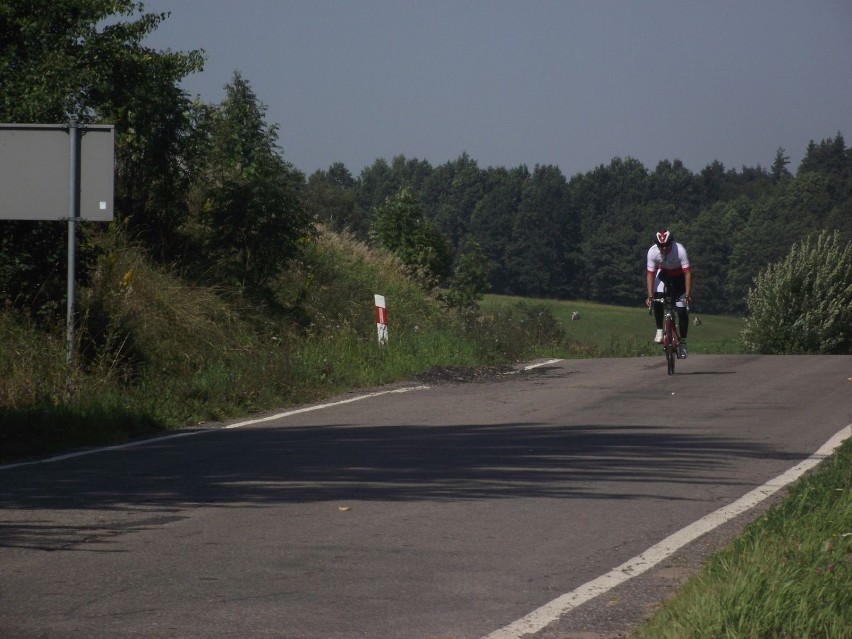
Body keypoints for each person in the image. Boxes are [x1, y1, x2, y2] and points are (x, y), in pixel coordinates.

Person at [645, 229, 693, 358]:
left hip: (679, 278)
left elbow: (687, 273)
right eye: (661, 246)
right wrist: (650, 296)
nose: (664, 248)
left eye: (666, 245)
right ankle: (660, 330)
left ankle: (682, 342)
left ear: (672, 242)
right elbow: (650, 274)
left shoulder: (680, 250)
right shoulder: (652, 252)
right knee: (657, 299)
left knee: (682, 310)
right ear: (657, 245)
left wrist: (687, 295)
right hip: (664, 276)